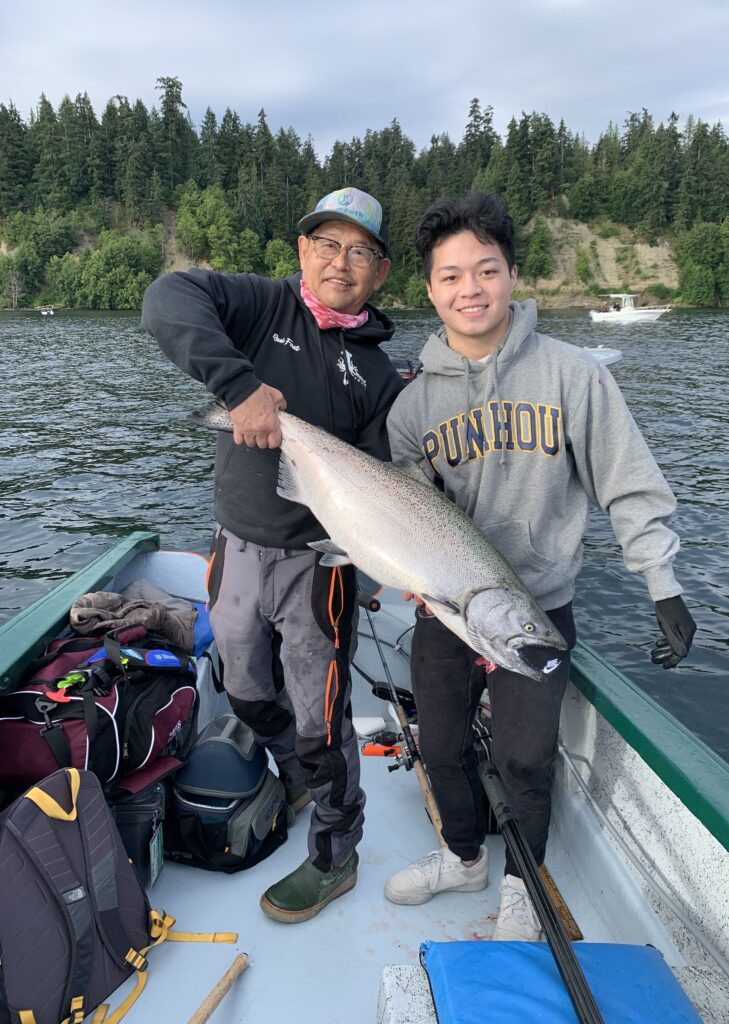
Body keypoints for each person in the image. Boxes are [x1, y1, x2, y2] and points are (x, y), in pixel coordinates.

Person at [384, 192, 696, 940]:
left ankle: (524, 889)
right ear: (429, 289)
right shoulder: (411, 409)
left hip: (539, 609)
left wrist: (663, 584)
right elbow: (404, 514)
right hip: (447, 610)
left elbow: (628, 484)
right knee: (441, 745)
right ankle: (463, 858)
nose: (470, 289)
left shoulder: (575, 376)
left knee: (525, 761)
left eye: (486, 270)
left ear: (513, 276)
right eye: (451, 276)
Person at [141, 186, 403, 923]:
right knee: (244, 688)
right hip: (235, 545)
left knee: (323, 721)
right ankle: (296, 772)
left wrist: (388, 564)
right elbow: (166, 299)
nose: (340, 262)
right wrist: (240, 387)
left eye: (360, 251)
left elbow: (382, 487)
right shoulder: (259, 306)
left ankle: (336, 849)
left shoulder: (383, 376)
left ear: (380, 271)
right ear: (302, 252)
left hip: (318, 567)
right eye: (327, 244)